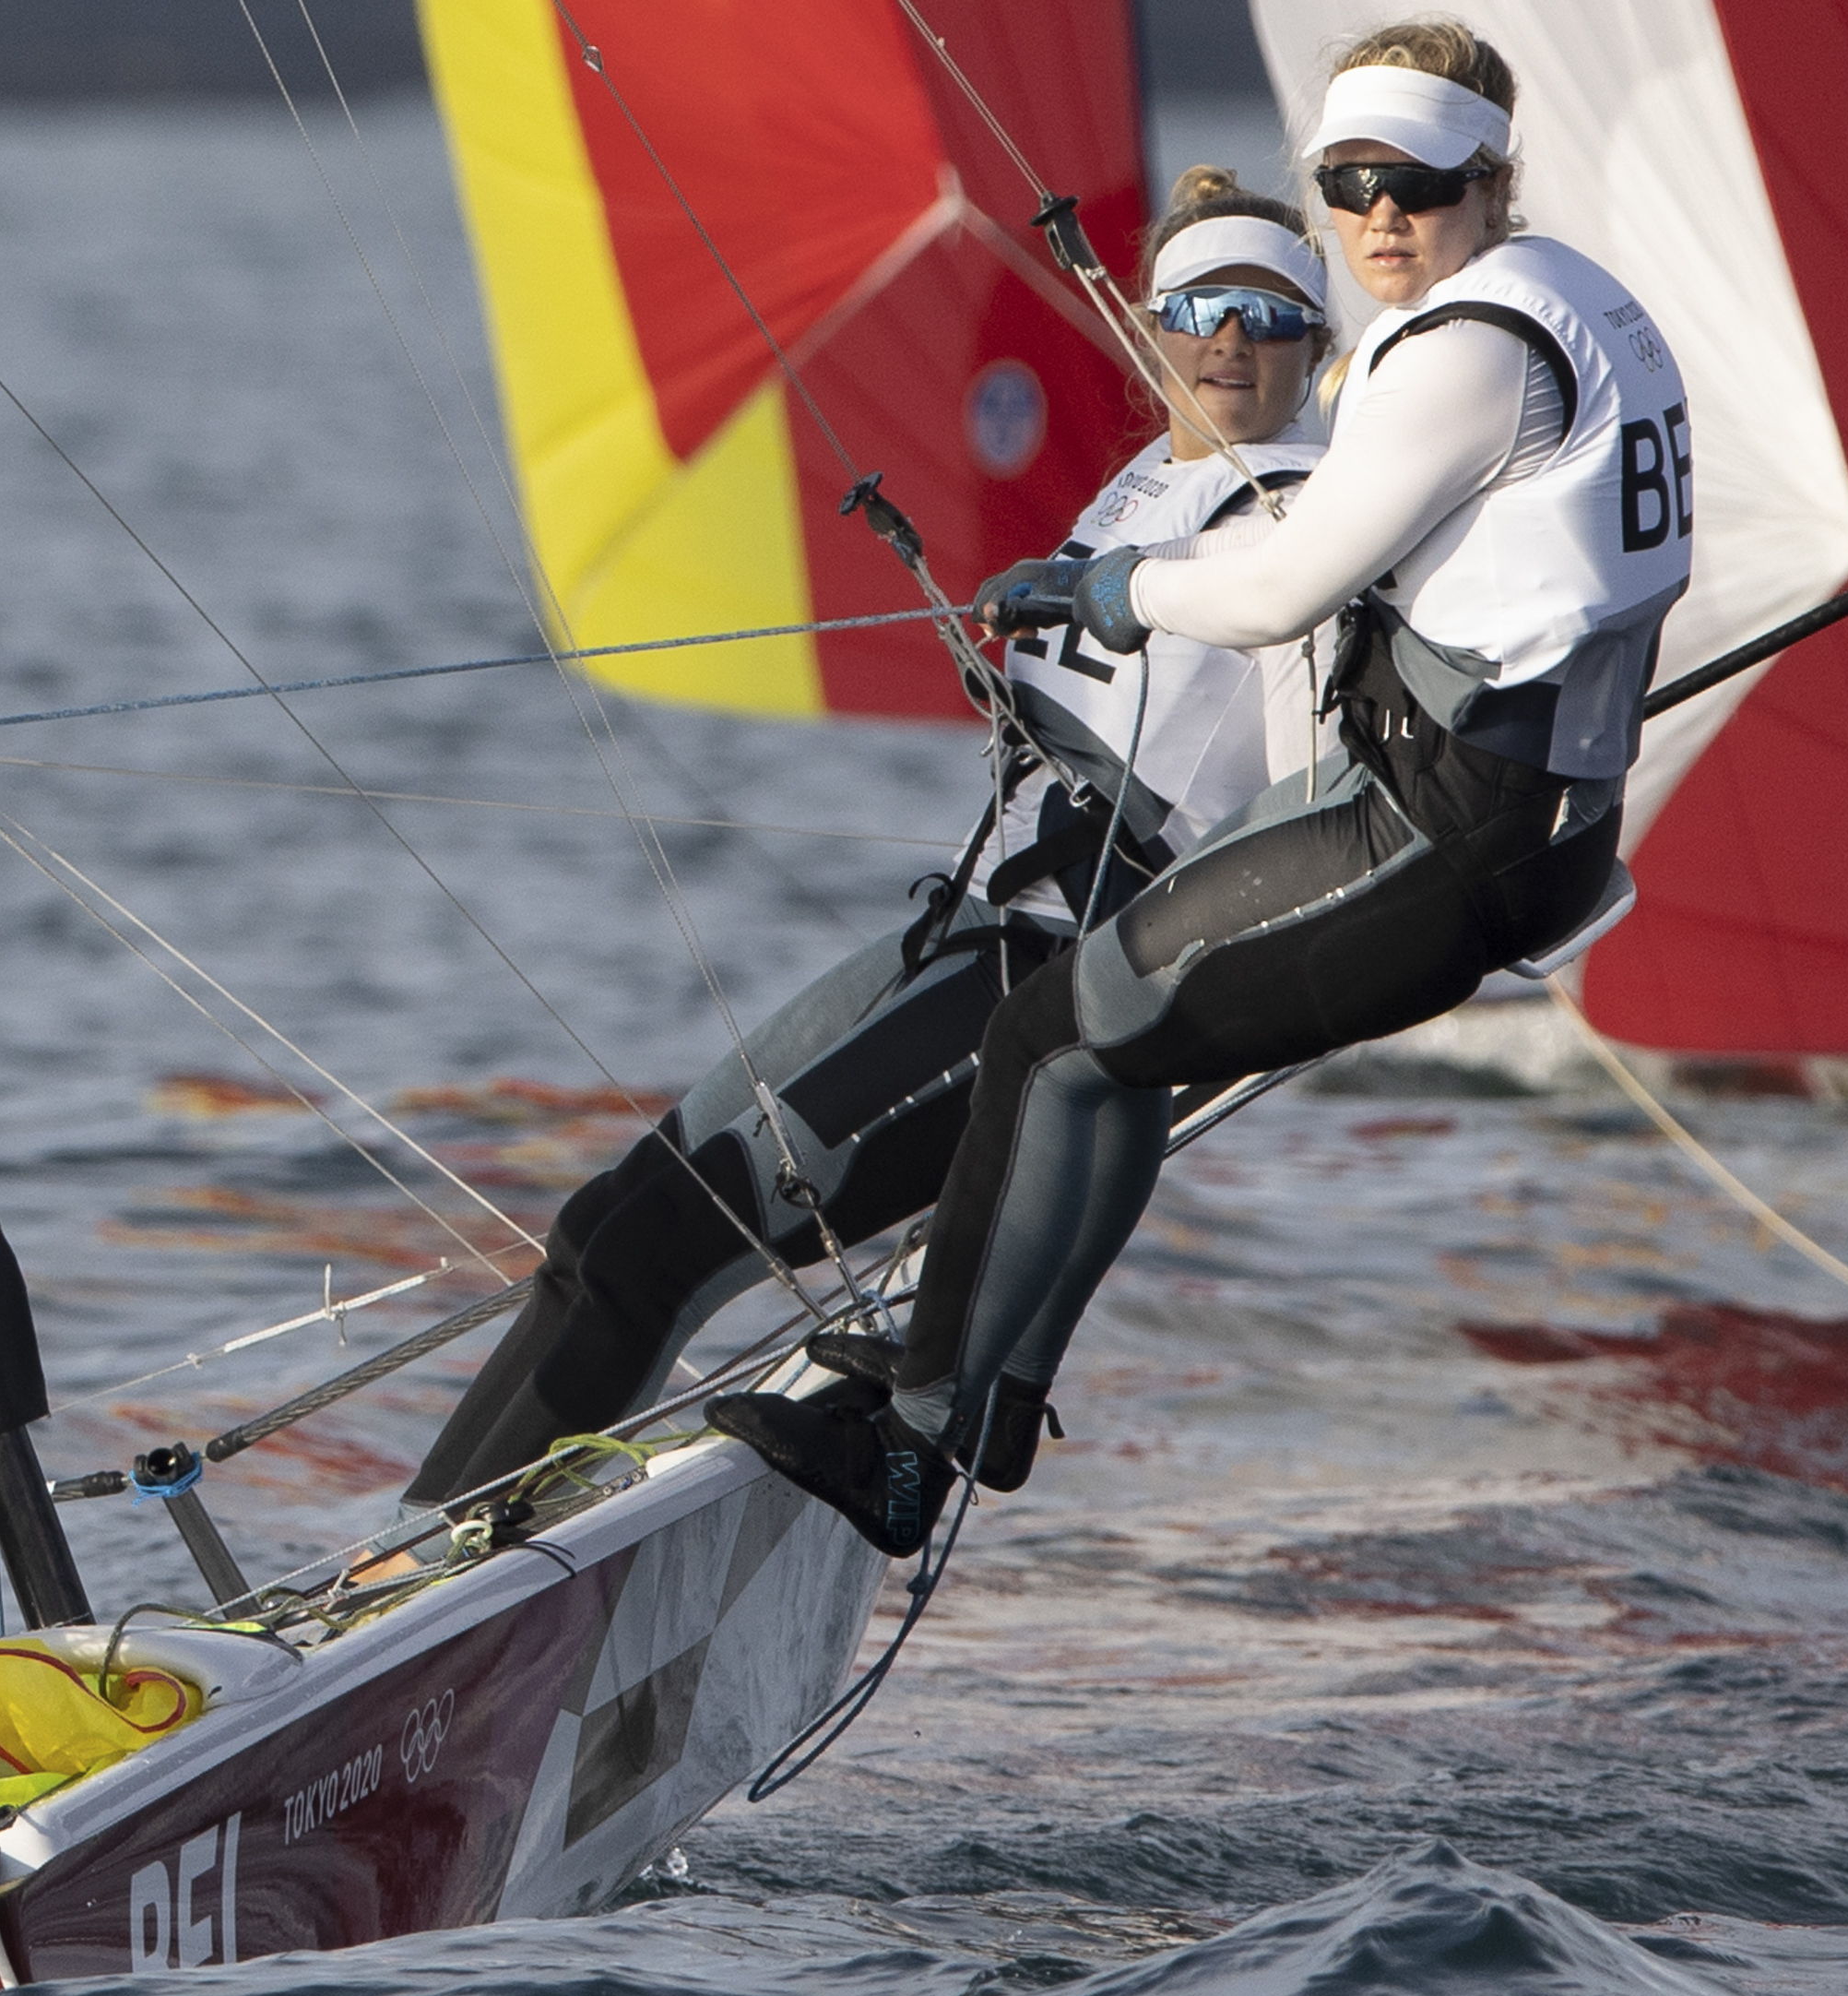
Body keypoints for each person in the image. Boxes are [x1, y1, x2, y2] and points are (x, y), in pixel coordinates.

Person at [707, 18, 1688, 1554]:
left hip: (1441, 840)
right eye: (1348, 183)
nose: (1377, 221)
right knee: (1118, 1051)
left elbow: (1284, 583)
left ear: (1491, 180)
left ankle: (912, 1432)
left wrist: (1115, 595)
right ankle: (994, 1392)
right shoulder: (1586, 305)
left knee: (1050, 1033)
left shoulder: (1462, 349)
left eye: (1415, 187)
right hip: (1529, 826)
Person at [403, 168, 1340, 1515]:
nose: (1233, 342)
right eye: (1200, 308)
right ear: (1146, 332)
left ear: (1320, 345)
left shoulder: (1304, 520)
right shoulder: (1150, 485)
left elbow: (1305, 796)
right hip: (966, 929)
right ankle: (406, 1554)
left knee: (670, 1245)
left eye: (1271, 314)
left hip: (1055, 982)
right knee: (607, 1225)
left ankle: (450, 1578)